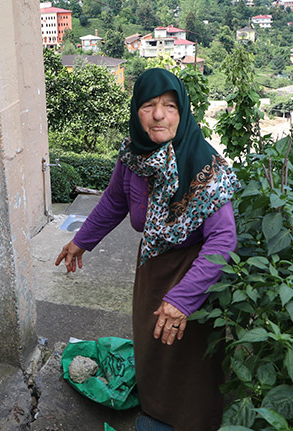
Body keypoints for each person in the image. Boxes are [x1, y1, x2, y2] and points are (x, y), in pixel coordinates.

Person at [55, 68, 240, 431]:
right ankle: (158, 412)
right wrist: (81, 241)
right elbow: (114, 201)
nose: (159, 115)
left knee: (190, 360)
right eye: (149, 105)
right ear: (136, 111)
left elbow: (223, 239)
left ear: (182, 111)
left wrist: (183, 299)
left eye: (169, 106)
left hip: (196, 274)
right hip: (153, 266)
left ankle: (195, 421)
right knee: (152, 346)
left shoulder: (205, 165)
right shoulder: (133, 157)